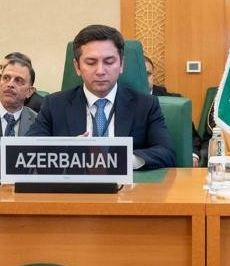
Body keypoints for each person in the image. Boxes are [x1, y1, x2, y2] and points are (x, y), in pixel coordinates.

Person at [26, 24, 175, 170]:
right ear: (77, 67)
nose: (100, 71)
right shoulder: (54, 104)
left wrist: (125, 159)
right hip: (74, 183)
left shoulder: (145, 105)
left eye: (109, 62)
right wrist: (66, 151)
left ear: (121, 64)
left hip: (127, 185)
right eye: (91, 63)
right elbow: (27, 151)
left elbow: (166, 153)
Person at [0, 54, 38, 168]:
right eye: (6, 78)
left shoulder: (37, 122)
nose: (10, 84)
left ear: (29, 92)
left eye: (18, 81)